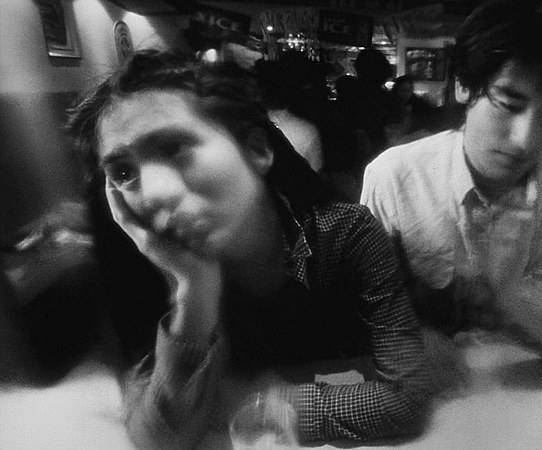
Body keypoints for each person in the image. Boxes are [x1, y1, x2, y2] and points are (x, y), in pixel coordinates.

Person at [66, 49, 431, 449]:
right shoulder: (154, 265)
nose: (152, 194)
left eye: (175, 147)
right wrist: (194, 290)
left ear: (257, 150)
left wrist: (258, 403)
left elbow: (408, 399)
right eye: (123, 172)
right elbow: (158, 439)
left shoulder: (346, 235)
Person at [361, 0, 542, 371]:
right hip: (426, 387)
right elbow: (367, 312)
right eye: (509, 104)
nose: (525, 139)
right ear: (464, 85)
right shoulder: (395, 178)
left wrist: (512, 294)